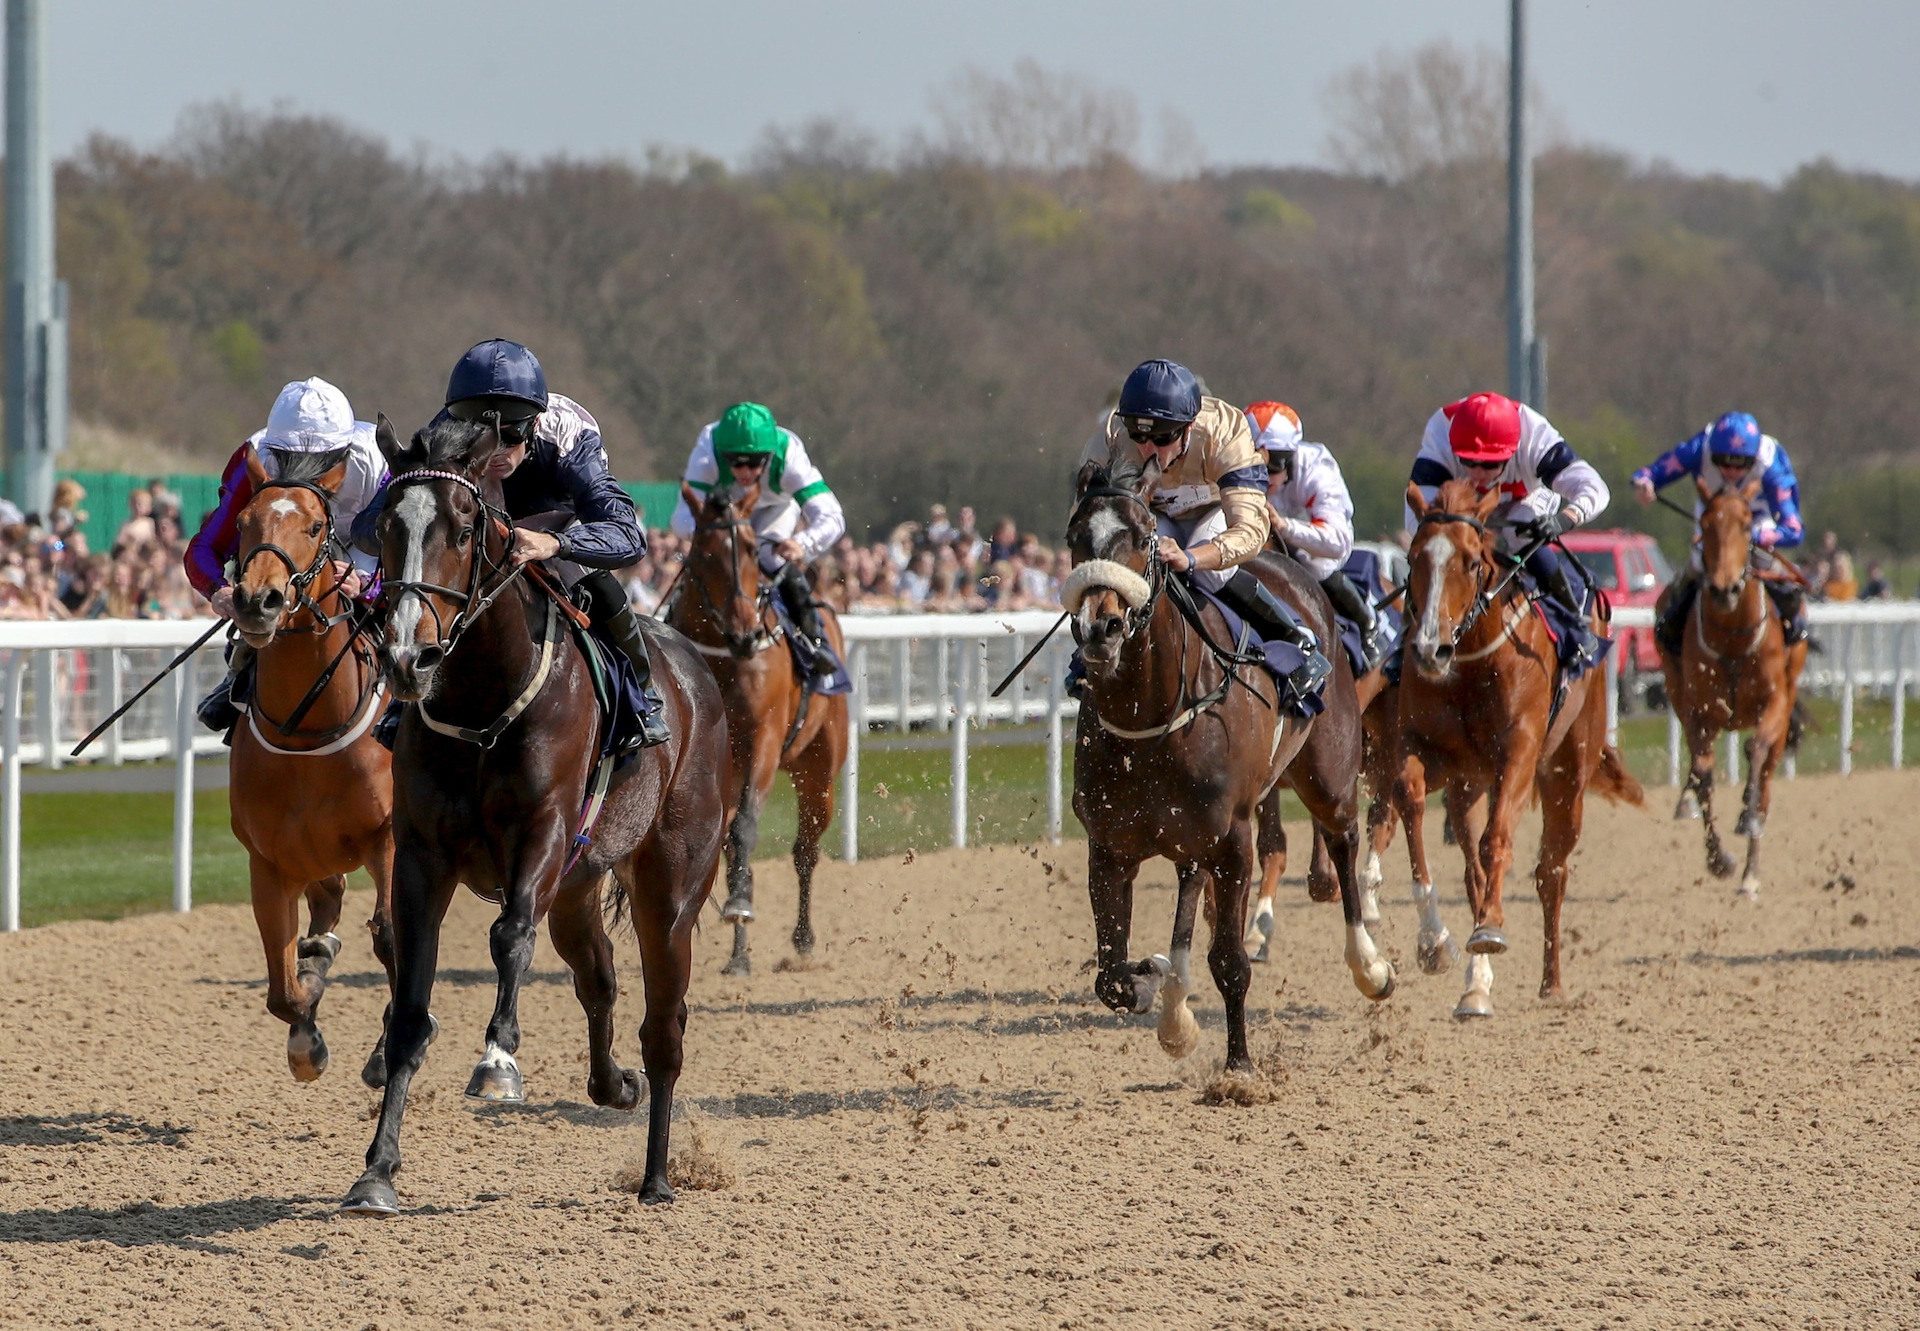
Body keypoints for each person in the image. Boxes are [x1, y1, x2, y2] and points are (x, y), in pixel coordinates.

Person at [390, 337, 669, 746]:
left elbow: (629, 536)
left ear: (535, 422)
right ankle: (401, 705)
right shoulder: (442, 434)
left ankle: (641, 698)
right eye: (482, 433)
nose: (497, 450)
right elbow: (376, 522)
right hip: (480, 524)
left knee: (598, 586)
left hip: (558, 519)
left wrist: (554, 544)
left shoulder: (571, 439)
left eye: (512, 432)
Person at [1081, 358, 1331, 701]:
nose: (1148, 448)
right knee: (1140, 561)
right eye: (1138, 434)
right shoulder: (1112, 439)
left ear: (1188, 426)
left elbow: (1250, 530)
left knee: (1208, 575)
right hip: (1155, 510)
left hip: (1214, 506)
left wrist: (1192, 557)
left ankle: (1290, 633)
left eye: (1162, 436)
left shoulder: (1225, 433)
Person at [184, 377, 387, 732]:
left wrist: (369, 586)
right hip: (288, 549)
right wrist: (219, 590)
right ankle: (239, 672)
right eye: (290, 460)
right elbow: (204, 549)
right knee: (263, 588)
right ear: (274, 451)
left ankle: (408, 699)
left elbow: (414, 553)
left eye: (319, 461)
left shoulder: (378, 461)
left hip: (366, 545)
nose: (304, 471)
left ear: (344, 453)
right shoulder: (253, 458)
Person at [1407, 390, 1610, 667]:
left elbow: (1594, 488)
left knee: (1521, 530)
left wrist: (1564, 519)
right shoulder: (1441, 432)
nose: (1478, 473)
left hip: (1527, 499)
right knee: (1434, 551)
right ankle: (1402, 642)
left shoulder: (1534, 436)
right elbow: (1418, 512)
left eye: (1490, 464)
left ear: (1513, 450)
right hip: (1460, 513)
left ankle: (1573, 620)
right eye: (1468, 461)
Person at [669, 401, 847, 680]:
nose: (745, 472)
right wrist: (711, 536)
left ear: (769, 455)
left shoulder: (789, 458)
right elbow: (680, 519)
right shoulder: (707, 451)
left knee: (770, 558)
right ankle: (671, 627)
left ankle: (814, 641)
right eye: (735, 462)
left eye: (754, 463)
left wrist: (804, 542)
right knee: (711, 561)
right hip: (724, 517)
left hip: (777, 509)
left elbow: (832, 516)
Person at [1630, 410, 1808, 651]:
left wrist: (1751, 537)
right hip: (1714, 518)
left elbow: (1794, 529)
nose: (1730, 472)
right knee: (1698, 562)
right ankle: (1673, 623)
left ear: (1754, 458)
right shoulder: (1699, 447)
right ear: (1711, 453)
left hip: (1755, 519)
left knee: (1764, 562)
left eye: (1741, 465)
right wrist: (1645, 483)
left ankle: (1792, 621)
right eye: (1721, 462)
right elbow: (1652, 473)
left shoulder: (1771, 462)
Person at [1246, 400, 1386, 672]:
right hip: (1263, 541)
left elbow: (1337, 543)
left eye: (1270, 468)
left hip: (1314, 545)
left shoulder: (1317, 471)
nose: (1261, 478)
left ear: (1287, 458)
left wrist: (1285, 527)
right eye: (1252, 465)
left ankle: (1366, 620)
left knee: (1315, 563)